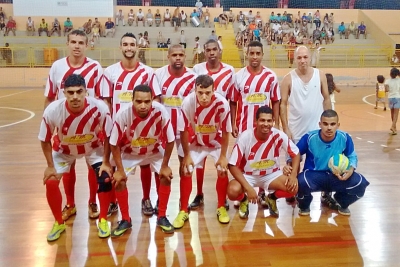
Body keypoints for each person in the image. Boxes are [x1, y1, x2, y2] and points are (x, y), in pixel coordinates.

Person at [39, 74, 113, 241]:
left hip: (93, 148)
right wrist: (50, 166)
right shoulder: (53, 110)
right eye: (70, 92)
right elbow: (44, 139)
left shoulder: (100, 107)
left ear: (86, 91)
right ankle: (58, 223)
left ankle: (102, 219)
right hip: (64, 149)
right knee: (51, 181)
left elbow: (109, 135)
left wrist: (107, 162)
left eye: (79, 92)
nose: (75, 97)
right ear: (63, 92)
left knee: (106, 177)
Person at [44, 29, 104, 222]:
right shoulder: (57, 66)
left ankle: (92, 201)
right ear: (68, 44)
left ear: (87, 45)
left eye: (81, 42)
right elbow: (50, 97)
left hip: (90, 128)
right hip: (65, 127)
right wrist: (48, 124)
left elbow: (102, 98)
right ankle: (70, 204)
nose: (77, 46)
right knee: (67, 166)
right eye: (73, 42)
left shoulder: (95, 67)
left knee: (93, 166)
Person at [100, 32, 162, 217]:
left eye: (132, 44)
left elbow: (156, 100)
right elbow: (106, 102)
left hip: (143, 129)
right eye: (125, 44)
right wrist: (109, 127)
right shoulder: (110, 72)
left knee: (145, 164)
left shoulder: (148, 73)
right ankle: (113, 202)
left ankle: (146, 198)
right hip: (118, 129)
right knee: (112, 166)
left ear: (137, 47)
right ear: (121, 47)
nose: (129, 47)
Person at [108, 84, 175, 236]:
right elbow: (113, 143)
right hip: (130, 150)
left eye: (147, 101)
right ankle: (125, 219)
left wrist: (164, 166)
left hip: (154, 150)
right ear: (132, 100)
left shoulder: (161, 111)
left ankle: (162, 216)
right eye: (138, 101)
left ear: (153, 100)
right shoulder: (123, 113)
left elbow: (170, 140)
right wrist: (119, 170)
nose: (143, 105)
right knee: (119, 180)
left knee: (166, 176)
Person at [175, 74, 232, 229]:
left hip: (216, 142)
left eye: (208, 93)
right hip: (196, 142)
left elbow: (227, 132)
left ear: (214, 91)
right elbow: (183, 130)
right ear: (195, 90)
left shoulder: (222, 104)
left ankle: (221, 206)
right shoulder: (188, 102)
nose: (204, 97)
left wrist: (223, 156)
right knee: (186, 170)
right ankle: (183, 209)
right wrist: (186, 155)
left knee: (222, 170)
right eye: (200, 93)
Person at [280, 45, 332, 205]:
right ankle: (290, 189)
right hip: (295, 131)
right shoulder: (288, 79)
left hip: (317, 131)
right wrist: (285, 128)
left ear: (310, 58)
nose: (302, 60)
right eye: (299, 57)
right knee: (292, 163)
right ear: (294, 59)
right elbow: (282, 104)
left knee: (325, 162)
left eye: (305, 57)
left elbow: (326, 98)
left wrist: (329, 119)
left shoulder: (320, 75)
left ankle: (326, 192)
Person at [228, 106, 300, 217]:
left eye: (269, 120)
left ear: (273, 121)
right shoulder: (245, 137)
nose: (266, 124)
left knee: (293, 188)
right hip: (248, 175)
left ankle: (271, 198)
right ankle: (244, 200)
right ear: (256, 121)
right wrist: (248, 188)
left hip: (271, 175)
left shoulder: (279, 135)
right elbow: (232, 165)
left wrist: (294, 175)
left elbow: (296, 153)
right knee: (232, 191)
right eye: (262, 120)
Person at [296, 109, 370, 216]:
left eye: (332, 124)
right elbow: (295, 153)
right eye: (325, 124)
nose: (329, 128)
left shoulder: (344, 137)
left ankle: (342, 202)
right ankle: (304, 205)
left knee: (361, 183)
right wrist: (291, 168)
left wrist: (351, 169)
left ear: (338, 125)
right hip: (314, 175)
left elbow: (352, 156)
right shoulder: (309, 137)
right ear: (320, 124)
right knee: (299, 182)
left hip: (336, 175)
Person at [191, 39, 235, 209]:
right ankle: (199, 194)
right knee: (199, 163)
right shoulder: (197, 69)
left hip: (220, 122)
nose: (211, 52)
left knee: (221, 163)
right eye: (208, 49)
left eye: (214, 49)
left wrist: (232, 121)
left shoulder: (229, 71)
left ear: (219, 51)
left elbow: (232, 99)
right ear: (204, 51)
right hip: (201, 122)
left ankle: (221, 198)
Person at [154, 44, 197, 216]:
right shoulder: (158, 75)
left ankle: (184, 205)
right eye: (174, 55)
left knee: (185, 168)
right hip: (164, 131)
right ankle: (160, 199)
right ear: (168, 57)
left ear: (185, 57)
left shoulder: (193, 77)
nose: (177, 58)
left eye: (181, 55)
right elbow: (155, 102)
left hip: (184, 131)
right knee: (160, 168)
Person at [385, 68, 400, 135]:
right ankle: (393, 126)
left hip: (390, 98)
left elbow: (386, 90)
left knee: (392, 113)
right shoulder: (399, 80)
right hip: (397, 97)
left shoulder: (387, 81)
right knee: (396, 114)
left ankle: (394, 128)